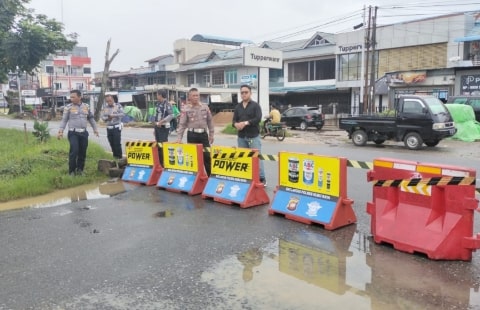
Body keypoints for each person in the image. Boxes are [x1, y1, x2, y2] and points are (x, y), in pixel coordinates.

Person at [57, 89, 99, 176]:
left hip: (83, 133)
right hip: (73, 133)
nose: (71, 98)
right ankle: (71, 171)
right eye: (71, 97)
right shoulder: (68, 107)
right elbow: (64, 120)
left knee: (82, 152)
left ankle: (80, 170)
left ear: (80, 97)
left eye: (73, 97)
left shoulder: (86, 106)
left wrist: (95, 129)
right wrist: (61, 131)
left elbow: (91, 118)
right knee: (74, 151)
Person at [232, 84, 266, 186]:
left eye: (246, 92)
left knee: (257, 158)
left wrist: (245, 123)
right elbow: (233, 120)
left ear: (250, 93)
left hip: (253, 136)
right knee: (243, 158)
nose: (244, 94)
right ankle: (246, 178)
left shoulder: (255, 106)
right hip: (241, 137)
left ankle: (262, 178)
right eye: (242, 93)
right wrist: (236, 124)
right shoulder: (238, 107)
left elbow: (258, 119)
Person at [176, 88, 214, 176]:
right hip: (192, 135)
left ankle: (210, 177)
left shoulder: (205, 107)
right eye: (194, 95)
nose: (196, 97)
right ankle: (194, 178)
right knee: (193, 158)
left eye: (197, 95)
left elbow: (210, 121)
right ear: (189, 97)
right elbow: (182, 124)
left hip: (204, 135)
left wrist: (211, 134)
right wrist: (179, 138)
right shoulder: (186, 109)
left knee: (207, 157)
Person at [100, 94, 125, 160]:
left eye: (110, 101)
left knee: (117, 143)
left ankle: (119, 158)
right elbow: (102, 117)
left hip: (116, 127)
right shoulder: (105, 108)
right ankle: (115, 157)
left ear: (113, 99)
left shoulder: (118, 106)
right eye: (107, 101)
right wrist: (107, 119)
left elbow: (123, 114)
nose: (109, 102)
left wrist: (113, 115)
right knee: (111, 143)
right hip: (109, 128)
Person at [153, 90, 173, 166]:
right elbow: (156, 115)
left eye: (157, 95)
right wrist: (155, 128)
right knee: (158, 144)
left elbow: (171, 115)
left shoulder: (167, 104)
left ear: (160, 95)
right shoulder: (158, 104)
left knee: (163, 144)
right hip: (157, 127)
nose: (156, 96)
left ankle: (165, 162)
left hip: (164, 127)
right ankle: (160, 162)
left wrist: (162, 122)